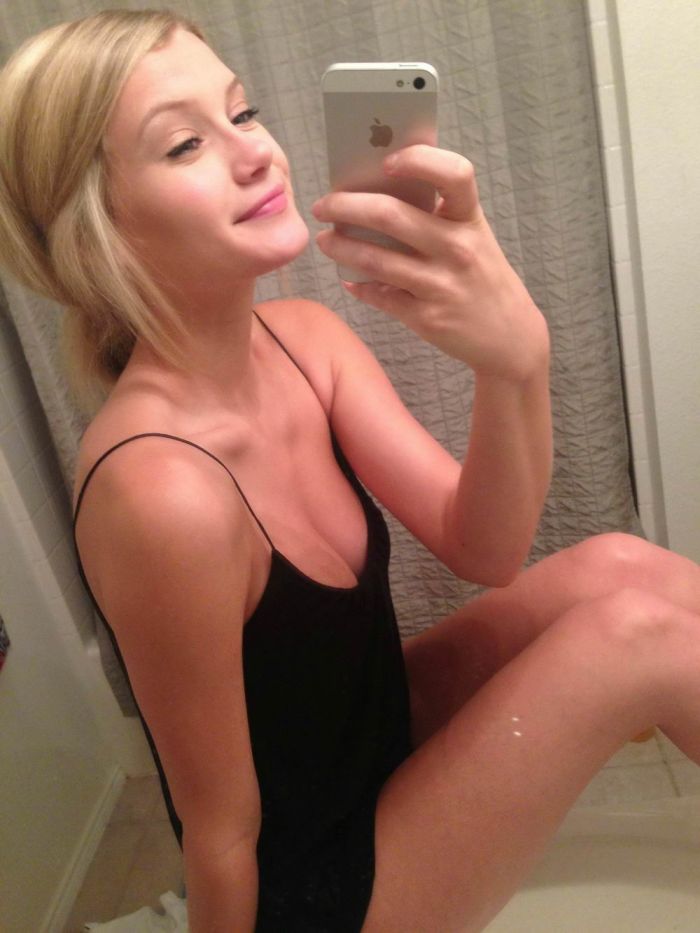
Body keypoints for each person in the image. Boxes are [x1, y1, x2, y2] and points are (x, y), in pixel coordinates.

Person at [1, 9, 699, 933]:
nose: (256, 153)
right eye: (184, 145)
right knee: (637, 638)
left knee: (618, 566)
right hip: (323, 887)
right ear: (96, 232)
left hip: (377, 740)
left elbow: (485, 548)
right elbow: (221, 829)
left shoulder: (305, 340)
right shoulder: (158, 490)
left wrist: (516, 361)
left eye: (242, 114)